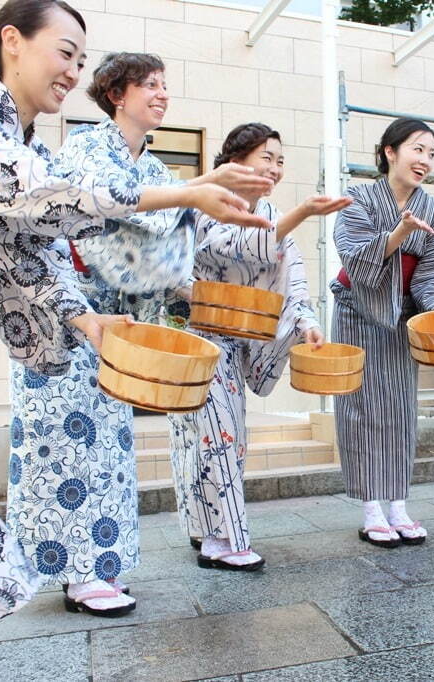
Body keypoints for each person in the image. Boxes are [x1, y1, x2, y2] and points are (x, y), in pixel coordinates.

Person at [0, 2, 266, 679]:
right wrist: (185, 191)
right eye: (64, 52)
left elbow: (31, 257)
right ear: (12, 42)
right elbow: (43, 193)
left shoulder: (21, 142)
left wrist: (88, 320)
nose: (73, 71)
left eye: (80, 61)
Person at [6, 52, 274, 617]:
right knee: (64, 444)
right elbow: (109, 200)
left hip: (116, 322)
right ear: (116, 95)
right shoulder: (85, 147)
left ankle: (98, 569)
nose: (160, 94)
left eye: (164, 85)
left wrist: (209, 199)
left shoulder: (154, 169)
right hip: (63, 310)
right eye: (149, 85)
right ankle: (77, 576)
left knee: (107, 445)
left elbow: (168, 228)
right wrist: (198, 188)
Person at [174, 122, 350, 570]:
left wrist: (307, 321)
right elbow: (233, 243)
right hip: (199, 336)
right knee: (212, 437)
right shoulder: (211, 201)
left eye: (279, 160)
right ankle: (227, 539)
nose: (274, 167)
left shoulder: (271, 211)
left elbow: (292, 277)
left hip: (238, 339)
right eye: (265, 157)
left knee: (224, 438)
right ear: (236, 160)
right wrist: (301, 214)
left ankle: (209, 532)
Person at [331, 118, 434, 548]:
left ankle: (398, 505)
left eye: (431, 152)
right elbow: (353, 252)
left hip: (403, 314)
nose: (425, 160)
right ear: (390, 152)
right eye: (417, 149)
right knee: (361, 408)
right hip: (358, 309)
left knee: (399, 408)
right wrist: (399, 234)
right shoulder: (358, 197)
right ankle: (371, 506)